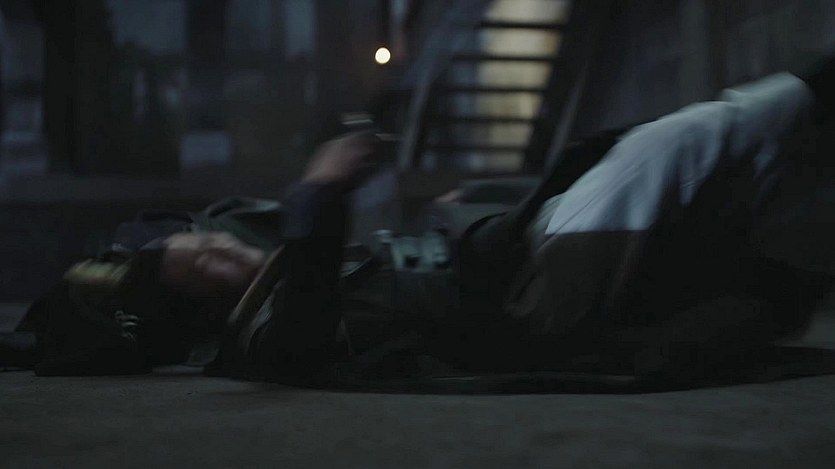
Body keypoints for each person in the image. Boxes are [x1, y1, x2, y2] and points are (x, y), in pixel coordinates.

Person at [17, 59, 835, 384]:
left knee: (749, 180)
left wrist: (451, 217)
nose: (221, 253)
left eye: (206, 242)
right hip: (526, 303)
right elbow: (307, 285)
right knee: (677, 147)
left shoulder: (312, 269)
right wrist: (321, 184)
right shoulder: (263, 340)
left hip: (518, 255)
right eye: (202, 269)